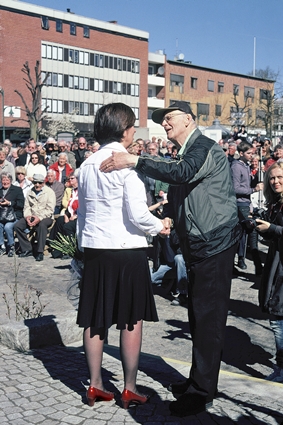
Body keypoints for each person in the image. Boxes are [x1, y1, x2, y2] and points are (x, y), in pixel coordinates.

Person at [99, 100, 241, 417]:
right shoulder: (187, 150)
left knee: (208, 319)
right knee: (199, 316)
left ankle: (202, 392)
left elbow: (181, 174)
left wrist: (133, 160)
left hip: (215, 245)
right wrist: (170, 224)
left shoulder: (202, 146)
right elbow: (179, 194)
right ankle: (198, 381)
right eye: (162, 119)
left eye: (170, 117)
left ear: (189, 120)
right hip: (199, 246)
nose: (164, 122)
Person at [76, 103, 168, 409]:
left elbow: (83, 214)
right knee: (131, 320)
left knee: (95, 318)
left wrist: (83, 245)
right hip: (127, 251)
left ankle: (95, 385)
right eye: (132, 127)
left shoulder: (86, 165)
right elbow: (139, 215)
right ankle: (129, 388)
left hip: (96, 249)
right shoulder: (125, 164)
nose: (133, 132)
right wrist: (161, 226)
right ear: (125, 130)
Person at [256, 162, 283, 383]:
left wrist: (271, 229)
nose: (275, 182)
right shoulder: (276, 203)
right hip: (276, 266)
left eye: (280, 177)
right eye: (272, 178)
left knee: (278, 322)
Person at [230, 141, 263, 273]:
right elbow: (235, 188)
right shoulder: (236, 167)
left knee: (246, 233)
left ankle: (247, 260)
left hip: (246, 203)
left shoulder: (246, 166)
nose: (251, 155)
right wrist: (253, 189)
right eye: (248, 153)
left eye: (252, 153)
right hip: (239, 204)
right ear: (241, 153)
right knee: (248, 230)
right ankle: (255, 263)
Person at [14, 173, 56, 261]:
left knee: (42, 226)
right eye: (35, 183)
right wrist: (28, 216)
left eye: (40, 183)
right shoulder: (30, 192)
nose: (37, 185)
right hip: (31, 215)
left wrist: (39, 218)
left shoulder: (49, 192)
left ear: (43, 183)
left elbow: (50, 209)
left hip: (45, 217)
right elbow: (27, 207)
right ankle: (27, 248)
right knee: (17, 226)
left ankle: (40, 251)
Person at [49, 171, 79, 259]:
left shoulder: (81, 191)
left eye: (72, 178)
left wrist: (76, 215)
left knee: (68, 226)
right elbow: (69, 206)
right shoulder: (72, 191)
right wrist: (66, 215)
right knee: (60, 220)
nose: (70, 180)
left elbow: (83, 206)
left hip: (79, 216)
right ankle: (56, 245)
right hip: (70, 214)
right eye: (69, 179)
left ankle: (70, 249)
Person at [0, 172, 24, 257]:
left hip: (14, 215)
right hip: (2, 216)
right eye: (3, 180)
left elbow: (21, 204)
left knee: (7, 226)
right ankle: (2, 246)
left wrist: (9, 203)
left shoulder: (17, 190)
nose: (5, 182)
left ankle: (11, 246)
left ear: (10, 180)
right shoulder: (0, 190)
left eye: (7, 180)